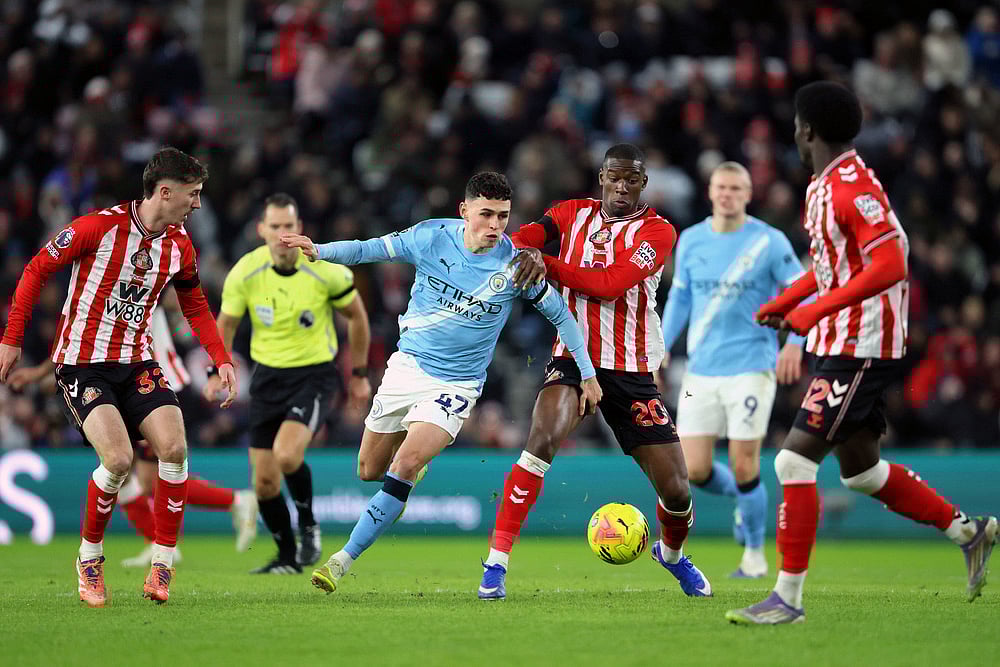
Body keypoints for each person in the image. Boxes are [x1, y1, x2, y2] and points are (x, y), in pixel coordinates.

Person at [726, 82, 998, 625]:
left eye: (796, 126)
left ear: (806, 129)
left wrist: (814, 311)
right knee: (861, 472)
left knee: (792, 461)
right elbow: (834, 267)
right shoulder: (823, 185)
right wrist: (789, 301)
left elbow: (892, 263)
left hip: (862, 345)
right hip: (842, 341)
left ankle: (787, 600)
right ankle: (971, 533)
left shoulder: (852, 187)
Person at [279, 171, 602, 594]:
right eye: (485, 214)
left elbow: (562, 316)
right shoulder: (430, 236)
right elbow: (371, 248)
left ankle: (341, 561)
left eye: (503, 217)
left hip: (457, 385)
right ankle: (412, 467)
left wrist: (589, 376)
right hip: (407, 368)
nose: (495, 226)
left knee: (403, 465)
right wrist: (319, 250)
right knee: (368, 470)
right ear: (463, 211)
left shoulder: (515, 264)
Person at [0, 147, 238, 606]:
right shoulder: (96, 228)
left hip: (138, 362)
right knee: (119, 459)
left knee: (174, 448)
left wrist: (220, 357)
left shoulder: (180, 245)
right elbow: (35, 270)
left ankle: (162, 567)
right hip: (82, 364)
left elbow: (195, 304)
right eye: (193, 194)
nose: (198, 204)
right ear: (164, 192)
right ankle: (90, 558)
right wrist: (12, 337)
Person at [482, 143, 710, 601]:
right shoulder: (569, 212)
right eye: (614, 177)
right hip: (573, 357)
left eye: (632, 180)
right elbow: (521, 238)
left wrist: (544, 262)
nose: (621, 188)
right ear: (601, 176)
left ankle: (670, 554)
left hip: (632, 371)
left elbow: (610, 285)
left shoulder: (659, 233)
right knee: (539, 443)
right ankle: (495, 565)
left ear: (643, 184)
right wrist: (526, 250)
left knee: (678, 491)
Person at [7, 292, 258, 568]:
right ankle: (160, 541)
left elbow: (180, 297)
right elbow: (77, 337)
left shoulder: (138, 276)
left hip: (153, 386)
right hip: (123, 384)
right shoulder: (102, 283)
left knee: (139, 473)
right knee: (124, 468)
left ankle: (218, 511)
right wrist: (41, 373)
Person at [203, 192, 372, 574]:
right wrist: (218, 368)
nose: (282, 234)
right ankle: (286, 557)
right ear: (261, 230)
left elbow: (358, 318)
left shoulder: (325, 269)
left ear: (300, 230)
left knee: (287, 455)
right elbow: (226, 324)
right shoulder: (245, 272)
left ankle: (309, 526)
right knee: (263, 482)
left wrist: (359, 376)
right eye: (275, 226)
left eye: (289, 226)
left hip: (314, 376)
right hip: (266, 378)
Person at [660, 161, 806, 579]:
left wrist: (795, 343)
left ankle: (755, 556)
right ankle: (748, 504)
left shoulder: (769, 242)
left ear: (747, 193)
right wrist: (662, 347)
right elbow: (681, 300)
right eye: (720, 187)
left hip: (751, 366)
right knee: (694, 469)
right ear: (710, 192)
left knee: (745, 463)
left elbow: (804, 293)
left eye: (735, 188)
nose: (727, 194)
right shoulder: (691, 239)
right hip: (701, 370)